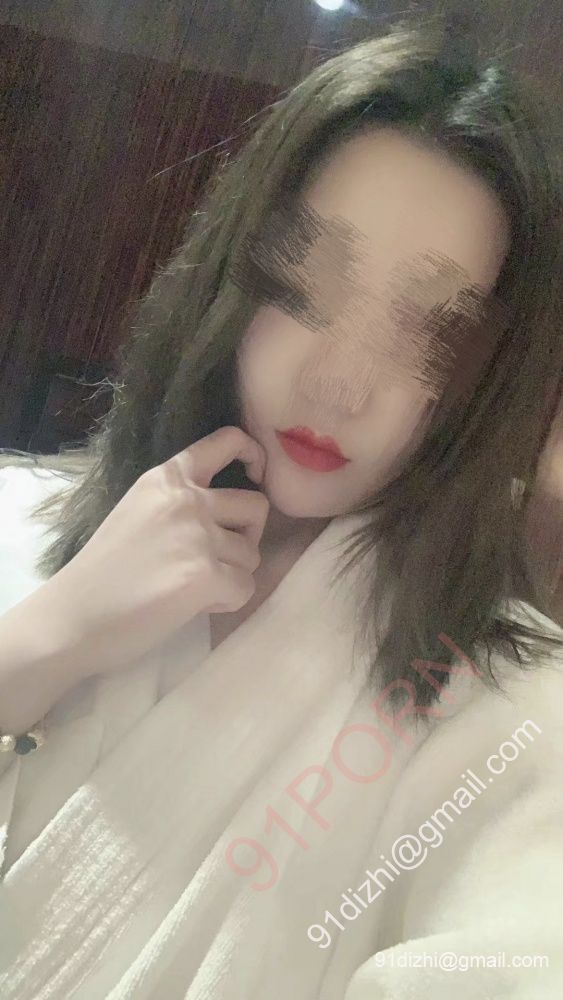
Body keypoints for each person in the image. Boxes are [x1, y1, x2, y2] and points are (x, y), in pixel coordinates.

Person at [1, 13, 562, 999]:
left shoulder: (515, 712)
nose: (339, 385)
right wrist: (50, 636)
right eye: (309, 286)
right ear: (236, 272)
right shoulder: (20, 514)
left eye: (429, 335)